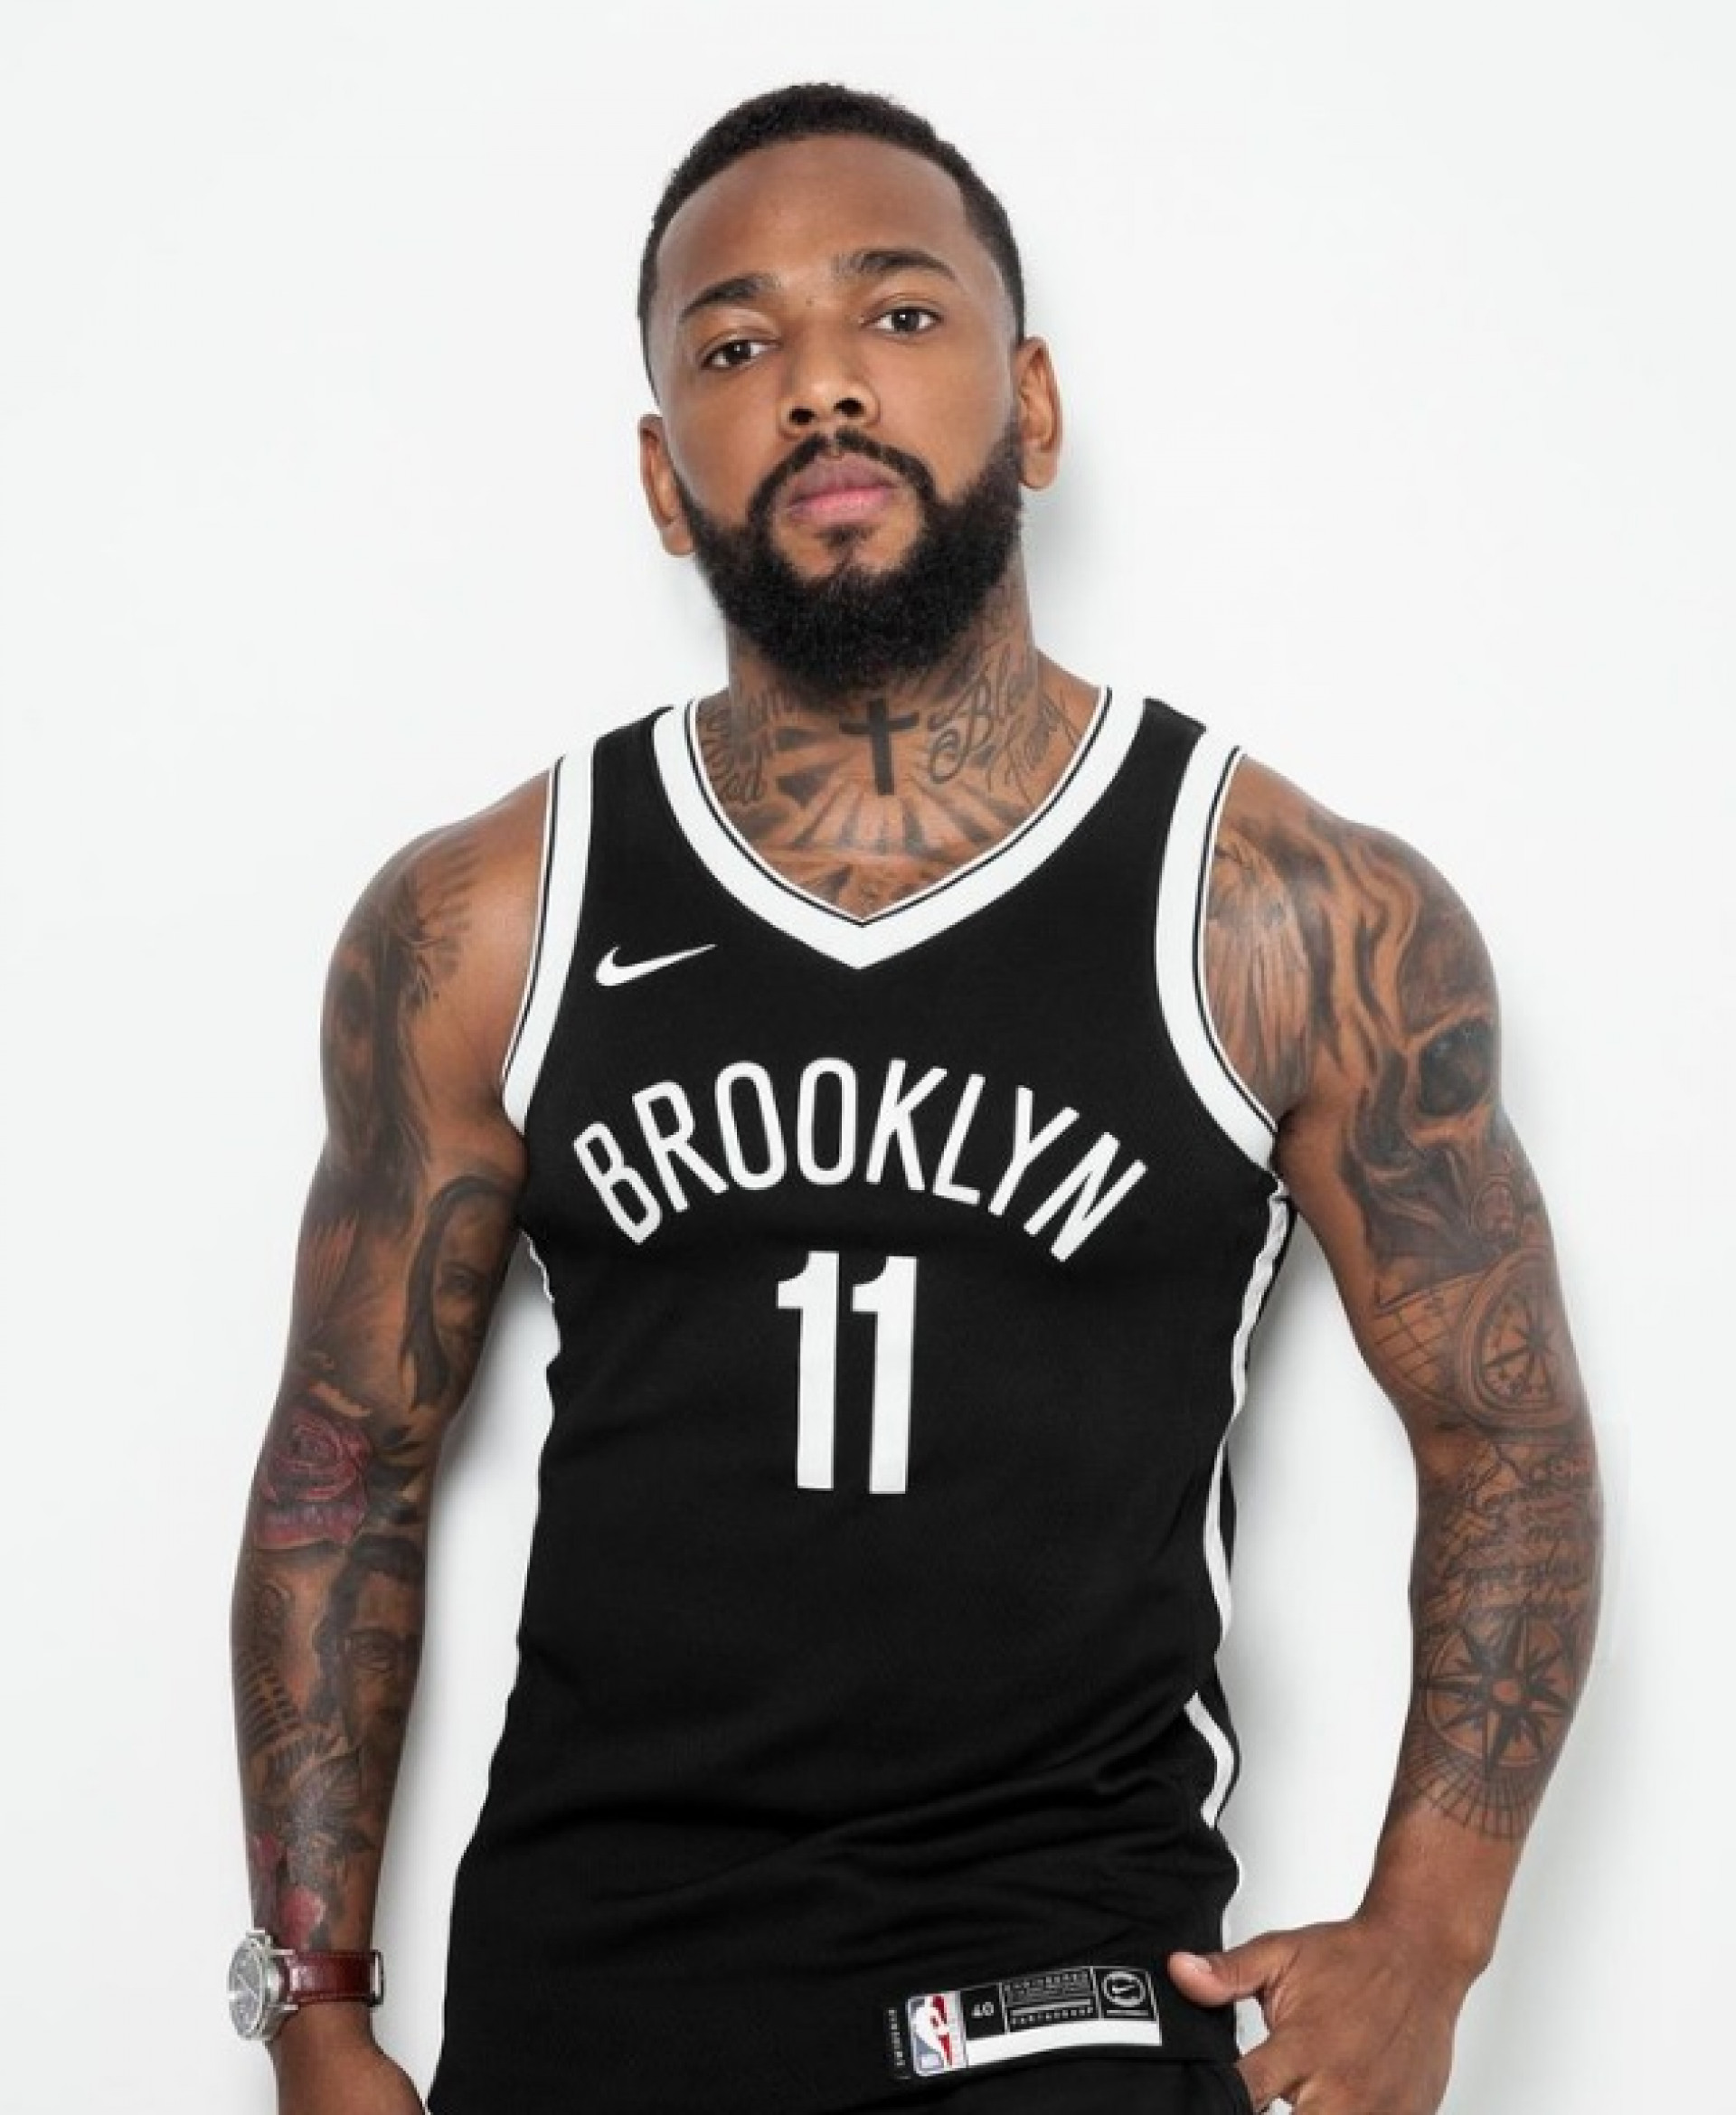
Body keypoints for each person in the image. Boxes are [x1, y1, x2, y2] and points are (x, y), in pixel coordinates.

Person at [228, 81, 1601, 2115]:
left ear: (1031, 403)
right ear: (660, 470)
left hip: (1065, 1994)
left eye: (898, 314)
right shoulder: (489, 921)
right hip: (591, 2008)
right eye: (734, 346)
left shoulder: (1286, 912)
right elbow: (345, 1469)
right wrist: (315, 2006)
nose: (819, 387)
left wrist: (1434, 1938)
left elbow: (1508, 1438)